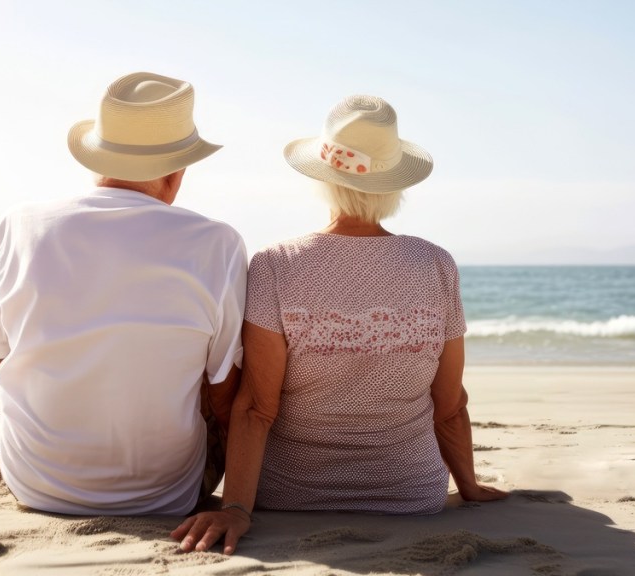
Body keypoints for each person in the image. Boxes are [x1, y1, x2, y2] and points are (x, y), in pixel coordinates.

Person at [173, 95, 507, 554]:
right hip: (412, 496)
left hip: (288, 494)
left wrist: (236, 509)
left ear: (323, 179)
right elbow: (449, 404)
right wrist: (469, 486)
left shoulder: (276, 264)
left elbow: (256, 408)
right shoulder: (435, 264)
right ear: (393, 186)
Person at [0, 72, 247, 516]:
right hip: (168, 494)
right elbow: (225, 392)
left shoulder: (21, 225)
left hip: (35, 484)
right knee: (218, 370)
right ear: (176, 172)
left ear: (97, 156)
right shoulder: (217, 243)